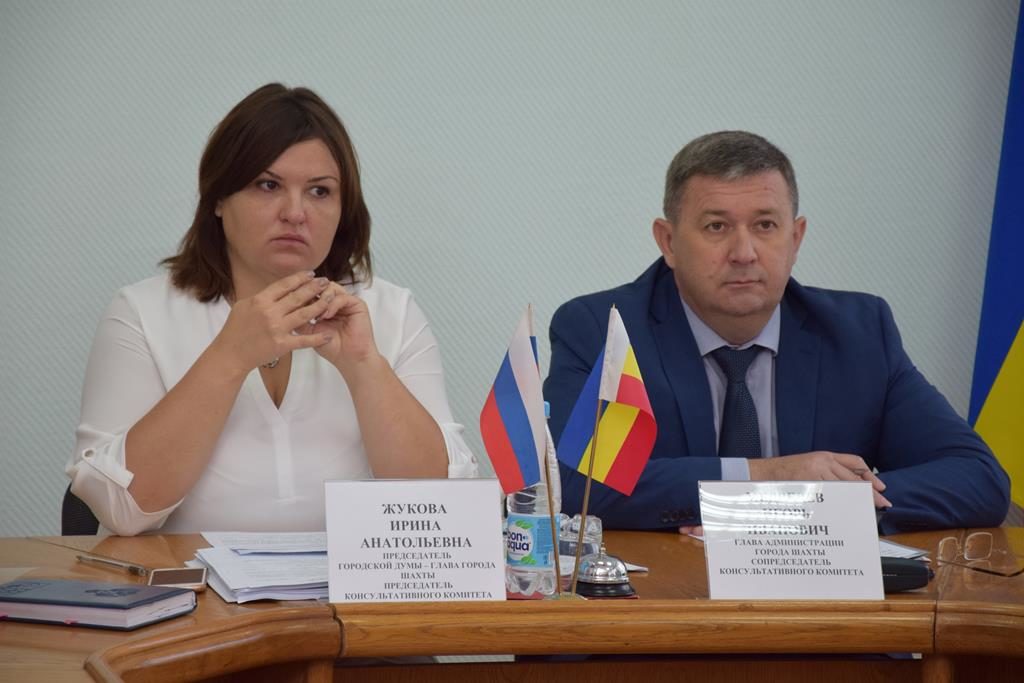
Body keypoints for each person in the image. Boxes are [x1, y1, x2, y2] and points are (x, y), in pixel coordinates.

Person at [544, 130, 1010, 535]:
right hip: (664, 602)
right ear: (668, 241)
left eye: (765, 225)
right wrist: (767, 477)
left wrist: (813, 505)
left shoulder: (860, 333)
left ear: (796, 237)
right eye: (716, 226)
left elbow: (979, 479)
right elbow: (575, 485)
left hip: (818, 605)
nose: (744, 252)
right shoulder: (606, 331)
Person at [68, 84, 477, 535]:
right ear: (218, 198)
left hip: (343, 581)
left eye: (320, 191)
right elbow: (118, 508)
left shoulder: (391, 310)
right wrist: (229, 356)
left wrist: (365, 366)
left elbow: (446, 511)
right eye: (268, 185)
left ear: (344, 209)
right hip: (188, 580)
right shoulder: (141, 312)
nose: (295, 213)